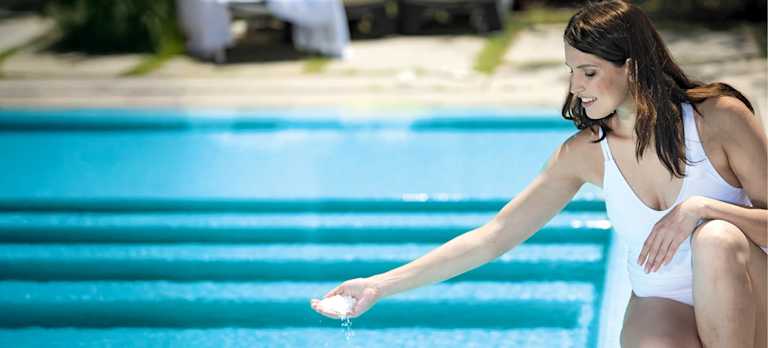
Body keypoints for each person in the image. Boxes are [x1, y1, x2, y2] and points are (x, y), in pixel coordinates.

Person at [310, 1, 767, 346]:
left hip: (753, 292)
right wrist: (379, 285)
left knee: (715, 238)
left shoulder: (718, 119)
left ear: (632, 68)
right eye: (572, 71)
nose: (575, 87)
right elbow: (495, 235)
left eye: (589, 72)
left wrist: (701, 208)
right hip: (664, 302)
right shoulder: (585, 154)